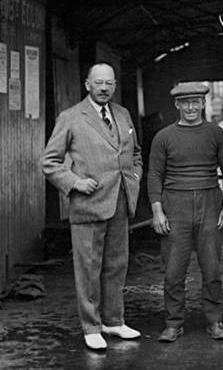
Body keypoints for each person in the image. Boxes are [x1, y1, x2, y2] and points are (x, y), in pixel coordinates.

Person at [41, 62, 142, 350]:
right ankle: (91, 326)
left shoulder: (122, 114)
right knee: (88, 268)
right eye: (98, 83)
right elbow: (49, 162)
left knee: (116, 265)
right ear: (87, 84)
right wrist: (75, 182)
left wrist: (133, 178)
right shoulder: (71, 117)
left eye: (109, 83)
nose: (104, 88)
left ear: (114, 85)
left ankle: (113, 321)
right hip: (88, 204)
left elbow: (136, 154)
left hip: (120, 202)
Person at [148, 82, 223, 342]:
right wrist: (157, 211)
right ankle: (174, 323)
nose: (190, 107)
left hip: (210, 200)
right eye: (185, 102)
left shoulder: (216, 134)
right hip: (175, 203)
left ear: (202, 103)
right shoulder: (164, 137)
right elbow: (154, 175)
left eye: (195, 101)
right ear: (177, 105)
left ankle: (215, 321)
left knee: (212, 268)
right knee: (174, 270)